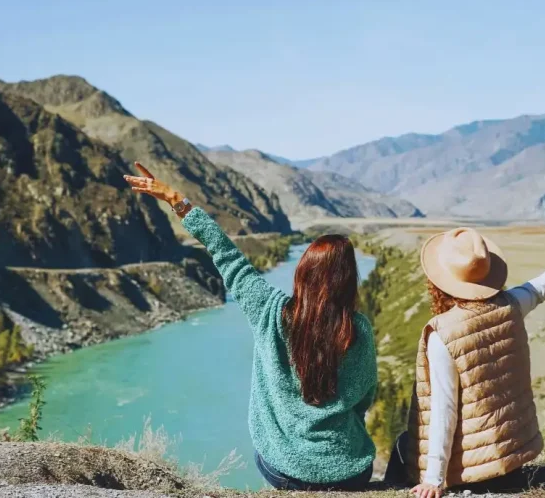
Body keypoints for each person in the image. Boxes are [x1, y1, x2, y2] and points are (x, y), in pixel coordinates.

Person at [124, 163, 377, 491]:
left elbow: (228, 256)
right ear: (347, 281)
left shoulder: (269, 311)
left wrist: (175, 199)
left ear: (302, 273)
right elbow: (365, 397)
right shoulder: (358, 330)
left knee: (266, 452)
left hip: (284, 470)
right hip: (348, 472)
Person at [385, 223, 545, 497]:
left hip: (468, 473)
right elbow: (541, 287)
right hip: (511, 459)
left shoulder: (443, 334)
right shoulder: (511, 306)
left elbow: (444, 408)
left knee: (404, 444)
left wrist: (433, 481)